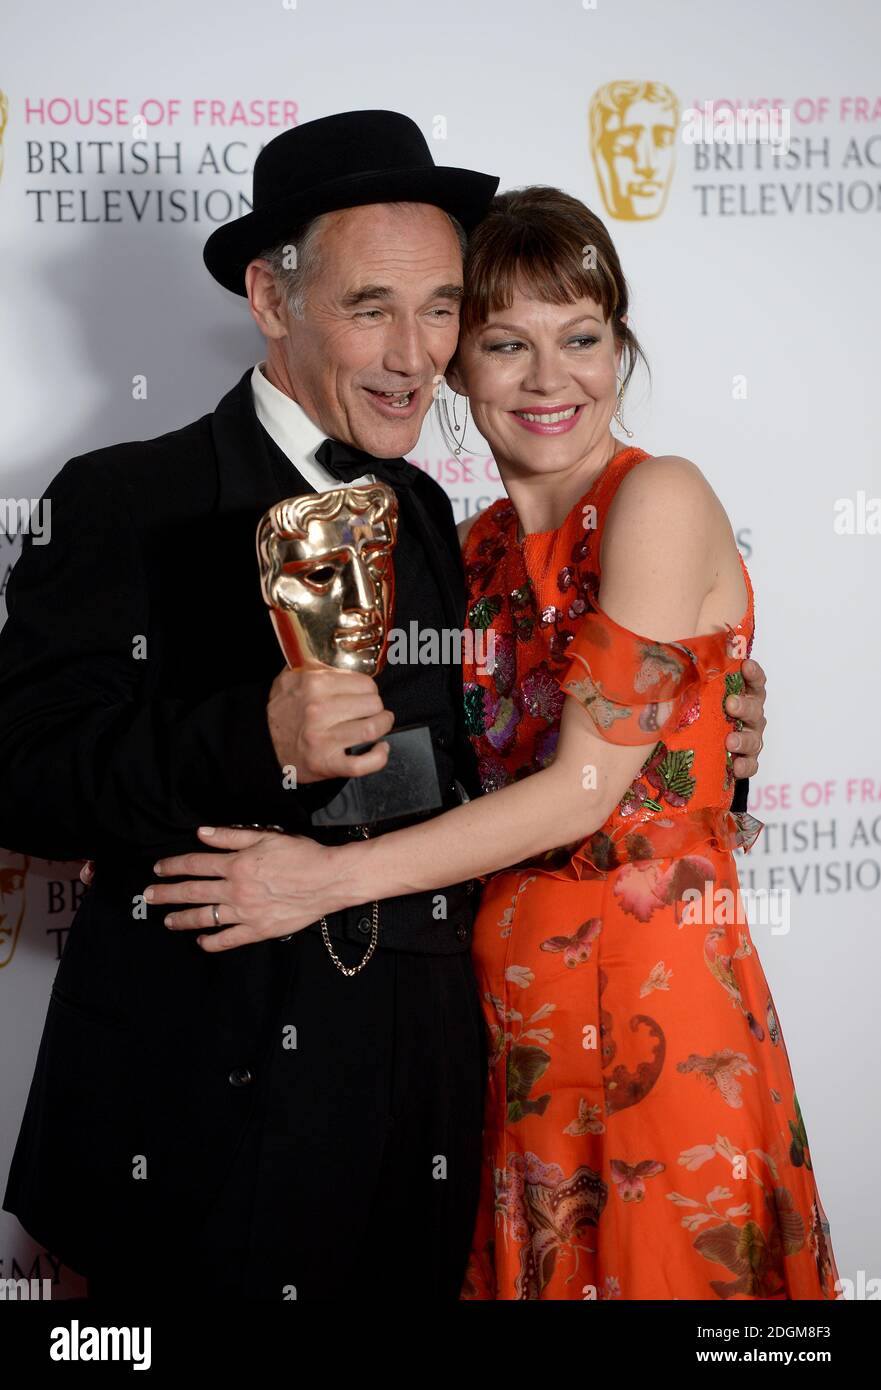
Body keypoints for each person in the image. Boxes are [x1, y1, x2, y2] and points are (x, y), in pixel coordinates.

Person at [144, 187, 837, 1302]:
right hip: (499, 1029)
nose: (548, 378)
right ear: (456, 368)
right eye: (506, 344)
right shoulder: (458, 546)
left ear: (619, 346)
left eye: (582, 338)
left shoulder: (655, 496)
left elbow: (577, 792)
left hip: (656, 1006)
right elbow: (413, 760)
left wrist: (323, 883)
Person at [0, 110, 506, 1301]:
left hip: (407, 1120)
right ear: (271, 304)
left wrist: (698, 737)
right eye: (371, 306)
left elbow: (446, 772)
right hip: (186, 1129)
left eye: (440, 307)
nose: (416, 353)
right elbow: (20, 772)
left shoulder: (428, 512)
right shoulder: (125, 496)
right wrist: (252, 738)